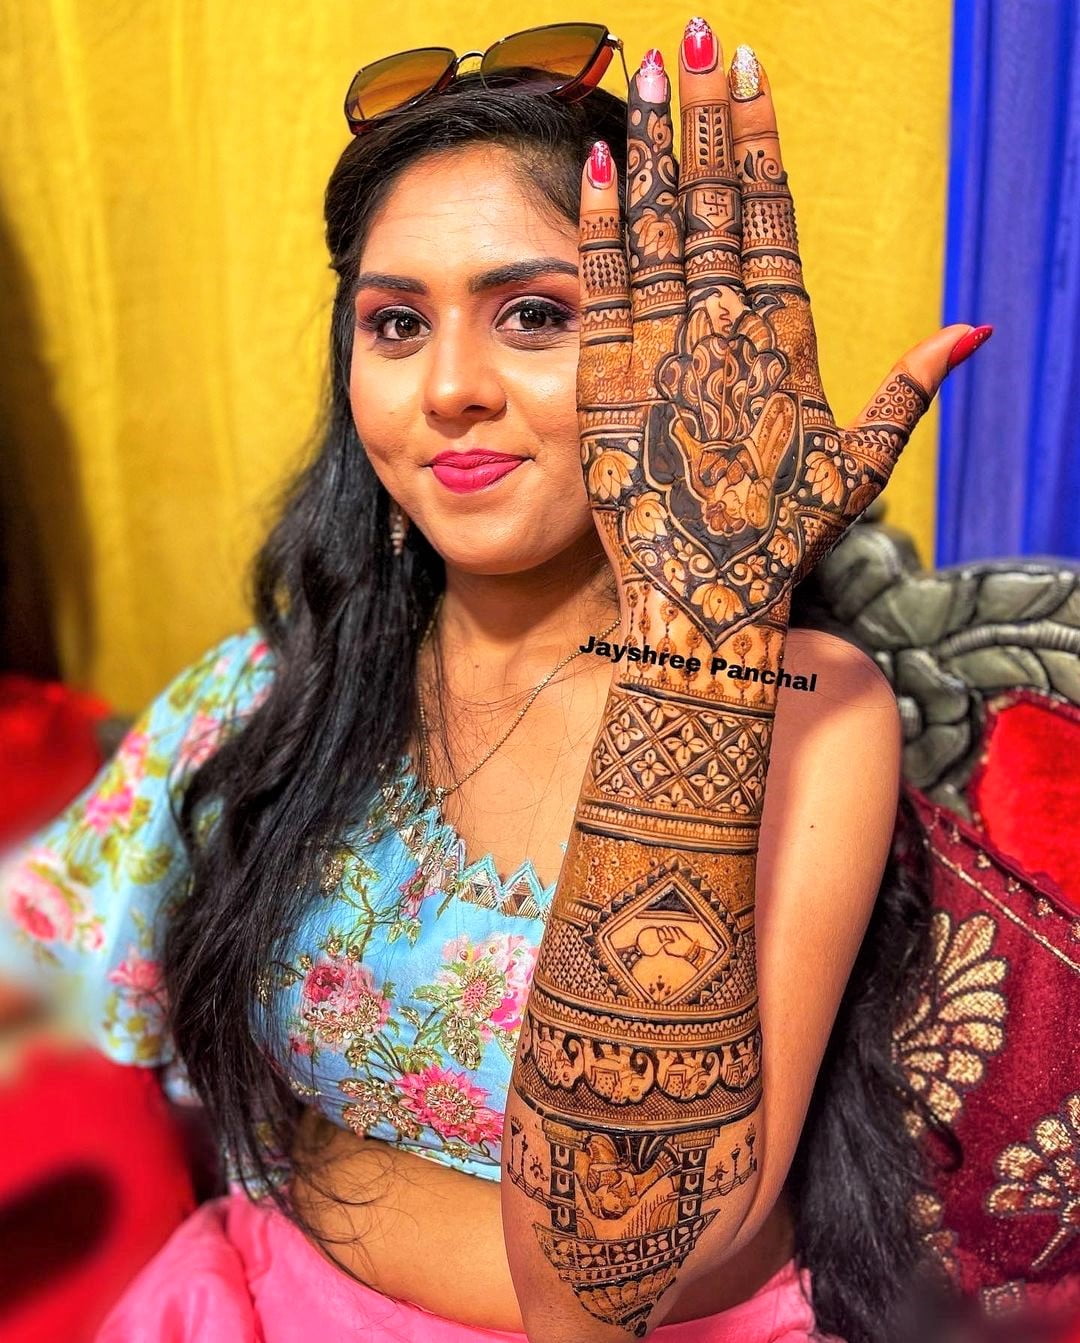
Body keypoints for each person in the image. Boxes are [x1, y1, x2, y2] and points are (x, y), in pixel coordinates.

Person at [0, 17, 990, 1343]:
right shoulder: (264, 698)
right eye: (396, 323)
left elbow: (604, 1281)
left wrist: (703, 625)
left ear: (682, 356)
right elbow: (51, 1030)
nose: (451, 386)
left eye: (535, 314)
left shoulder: (805, 704)